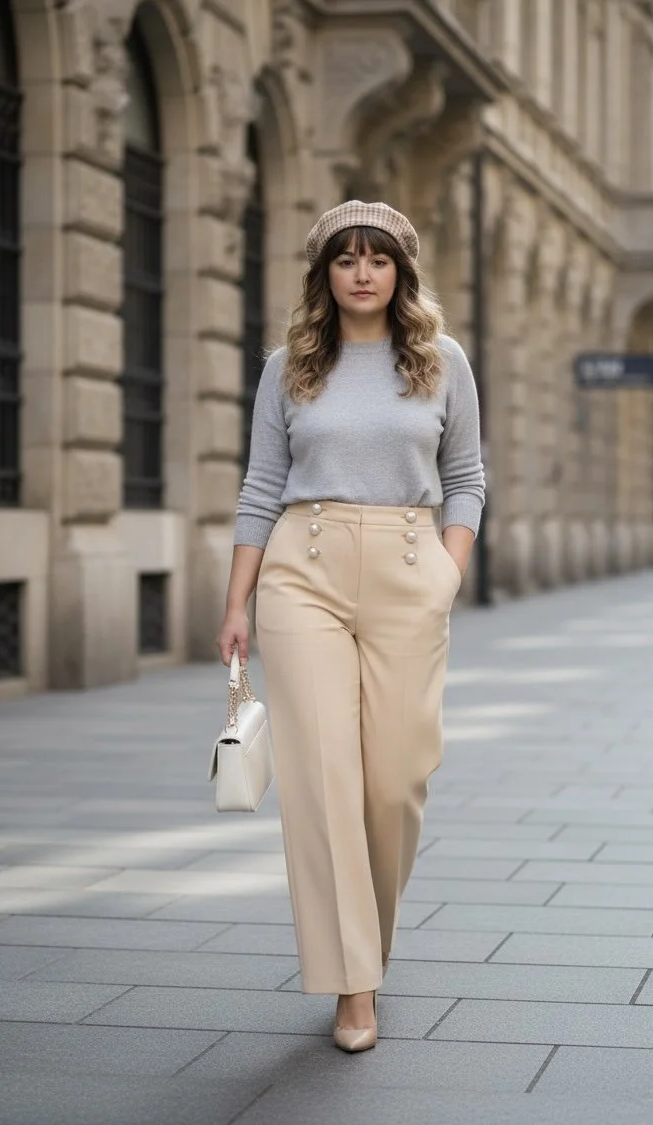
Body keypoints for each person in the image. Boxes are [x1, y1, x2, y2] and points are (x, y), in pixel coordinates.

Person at [217, 200, 485, 1052]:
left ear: (400, 272)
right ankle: (352, 984)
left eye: (377, 259)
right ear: (323, 273)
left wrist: (447, 571)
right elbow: (262, 485)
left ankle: (366, 941)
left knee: (394, 781)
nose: (361, 272)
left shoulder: (440, 362)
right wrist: (236, 603)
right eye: (345, 259)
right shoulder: (290, 366)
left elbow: (467, 476)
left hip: (412, 568)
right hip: (305, 570)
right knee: (324, 779)